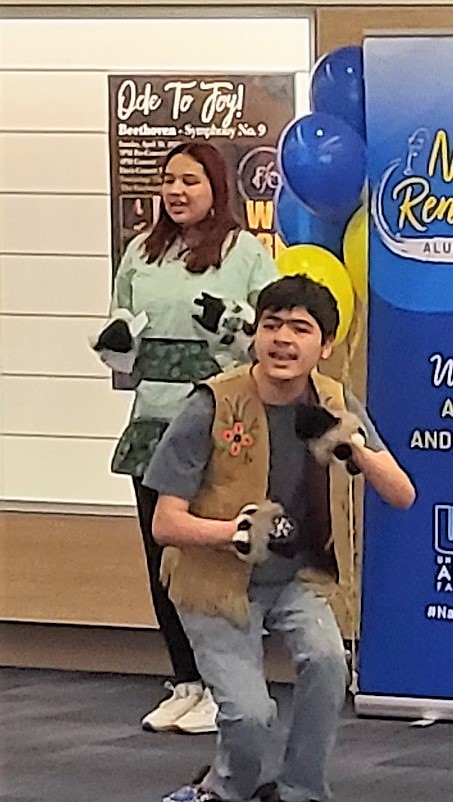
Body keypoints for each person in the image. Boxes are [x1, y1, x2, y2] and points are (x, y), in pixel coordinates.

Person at [149, 275, 415, 802]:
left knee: (326, 661)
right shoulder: (212, 405)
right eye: (272, 325)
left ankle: (298, 787)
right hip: (213, 578)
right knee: (251, 715)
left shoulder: (334, 400)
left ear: (326, 345)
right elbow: (164, 523)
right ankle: (227, 782)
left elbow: (401, 493)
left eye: (301, 328)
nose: (283, 340)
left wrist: (351, 444)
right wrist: (235, 534)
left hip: (298, 577)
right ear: (255, 334)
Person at [95, 142, 279, 735]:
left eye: (190, 181)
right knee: (162, 556)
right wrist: (114, 345)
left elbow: (268, 339)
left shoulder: (242, 252)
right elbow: (121, 341)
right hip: (153, 416)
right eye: (169, 181)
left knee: (212, 557)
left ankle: (225, 682)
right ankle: (186, 680)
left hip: (213, 416)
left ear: (215, 187)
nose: (177, 192)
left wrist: (231, 325)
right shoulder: (141, 254)